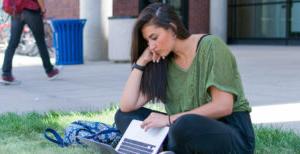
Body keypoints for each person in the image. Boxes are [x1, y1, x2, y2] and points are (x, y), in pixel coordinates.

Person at [114, 3, 255, 154]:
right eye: (147, 41)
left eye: (154, 38)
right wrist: (141, 63)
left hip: (231, 135)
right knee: (124, 116)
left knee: (183, 125)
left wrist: (169, 120)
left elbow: (223, 106)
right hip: (181, 131)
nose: (151, 46)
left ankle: (164, 148)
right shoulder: (162, 62)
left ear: (173, 29)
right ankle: (161, 150)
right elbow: (127, 106)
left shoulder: (211, 46)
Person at [1, 0, 59, 85]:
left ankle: (6, 74)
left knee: (12, 43)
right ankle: (50, 71)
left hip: (17, 12)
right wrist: (43, 9)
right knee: (40, 42)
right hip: (31, 10)